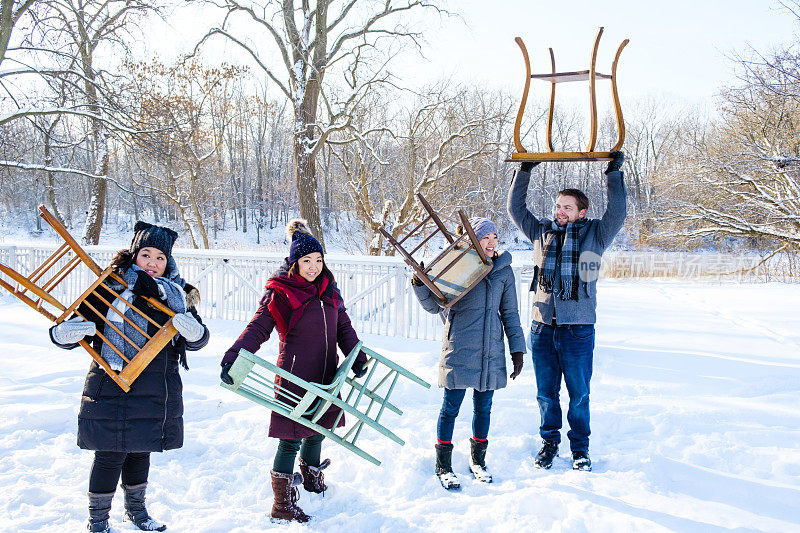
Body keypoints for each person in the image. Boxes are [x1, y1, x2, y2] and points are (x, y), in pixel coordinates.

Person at [49, 222, 209, 532]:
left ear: (169, 261)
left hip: (155, 386)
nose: (152, 262)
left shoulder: (182, 293)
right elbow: (68, 327)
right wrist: (66, 333)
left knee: (140, 450)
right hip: (111, 382)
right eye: (146, 254)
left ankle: (137, 512)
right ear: (133, 255)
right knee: (109, 455)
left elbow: (199, 338)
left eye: (160, 257)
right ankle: (97, 520)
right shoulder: (110, 286)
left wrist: (193, 332)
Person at [219, 219, 368, 523]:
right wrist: (234, 356)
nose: (313, 267)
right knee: (291, 437)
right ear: (293, 263)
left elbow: (343, 327)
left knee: (319, 429)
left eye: (318, 260)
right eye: (306, 261)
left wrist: (357, 355)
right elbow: (258, 328)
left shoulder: (329, 290)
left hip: (326, 372)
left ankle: (312, 479)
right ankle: (282, 504)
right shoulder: (282, 292)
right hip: (295, 375)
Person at [507, 152, 627, 472]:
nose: (560, 212)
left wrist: (613, 173)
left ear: (581, 212)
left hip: (578, 329)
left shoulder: (595, 235)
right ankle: (549, 442)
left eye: (567, 208)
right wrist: (525, 171)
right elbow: (515, 209)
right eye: (558, 206)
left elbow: (618, 211)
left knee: (579, 394)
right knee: (546, 394)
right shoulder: (541, 232)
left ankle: (580, 448)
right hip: (543, 326)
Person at [411, 217, 526, 490]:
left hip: (491, 350)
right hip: (460, 346)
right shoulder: (457, 266)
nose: (491, 242)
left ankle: (478, 461)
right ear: (472, 240)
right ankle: (444, 464)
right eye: (485, 237)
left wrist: (517, 349)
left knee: (484, 408)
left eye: (495, 237)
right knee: (450, 407)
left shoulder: (503, 271)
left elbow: (509, 313)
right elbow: (434, 307)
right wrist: (420, 284)